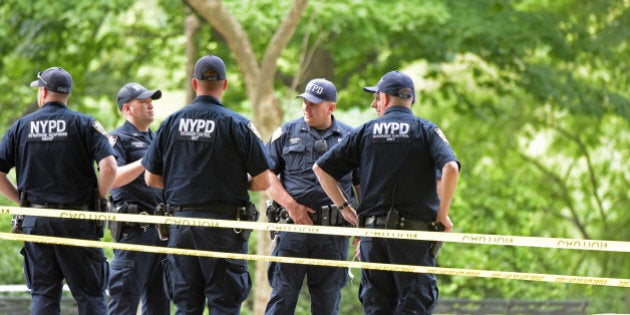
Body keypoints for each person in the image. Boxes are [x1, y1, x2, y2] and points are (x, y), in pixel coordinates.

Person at [313, 70, 460, 314]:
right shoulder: (425, 130)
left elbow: (321, 169)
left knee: (377, 306)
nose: (373, 104)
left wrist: (347, 211)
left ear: (385, 98)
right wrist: (442, 215)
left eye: (375, 98)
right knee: (414, 304)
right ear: (410, 100)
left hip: (373, 237)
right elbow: (451, 167)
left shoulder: (365, 132)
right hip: (412, 238)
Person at [142, 54, 273, 314]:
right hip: (223, 229)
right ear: (224, 85)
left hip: (181, 226)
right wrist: (234, 182)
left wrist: (186, 184)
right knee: (224, 306)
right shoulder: (238, 124)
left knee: (186, 306)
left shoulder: (171, 123)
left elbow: (151, 178)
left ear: (194, 83)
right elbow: (263, 181)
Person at [0, 67, 117, 315]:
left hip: (36, 222)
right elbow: (109, 166)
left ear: (42, 92)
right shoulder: (85, 124)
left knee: (44, 294)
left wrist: (23, 204)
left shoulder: (20, 127)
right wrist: (100, 197)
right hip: (79, 221)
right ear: (67, 94)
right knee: (90, 296)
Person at [264, 78, 359, 315]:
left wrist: (364, 225)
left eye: (314, 104)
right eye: (305, 101)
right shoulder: (286, 132)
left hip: (333, 235)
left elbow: (362, 185)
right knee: (281, 301)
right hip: (292, 231)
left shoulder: (350, 138)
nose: (306, 107)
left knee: (327, 305)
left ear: (331, 108)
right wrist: (291, 206)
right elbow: (266, 175)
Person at [107, 82, 170, 315]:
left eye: (151, 102)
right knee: (124, 302)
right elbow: (112, 178)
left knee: (160, 305)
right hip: (134, 232)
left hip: (162, 233)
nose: (150, 106)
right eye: (143, 102)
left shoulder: (157, 140)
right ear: (127, 109)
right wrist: (147, 161)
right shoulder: (116, 139)